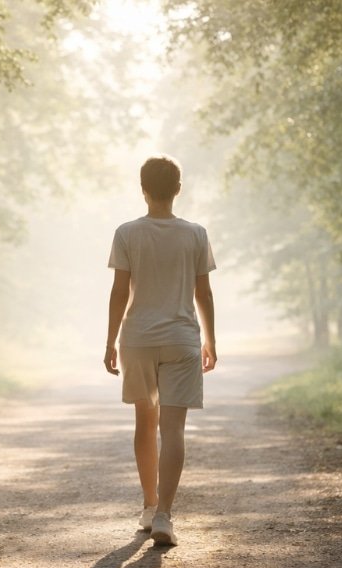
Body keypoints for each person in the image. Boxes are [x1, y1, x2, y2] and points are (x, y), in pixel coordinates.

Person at [104, 155, 216, 546]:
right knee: (174, 429)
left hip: (138, 338)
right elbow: (203, 292)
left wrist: (109, 342)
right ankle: (166, 514)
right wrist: (211, 341)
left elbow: (120, 291)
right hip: (182, 339)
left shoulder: (127, 233)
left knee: (144, 424)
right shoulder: (196, 234)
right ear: (178, 190)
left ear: (143, 189)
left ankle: (149, 506)